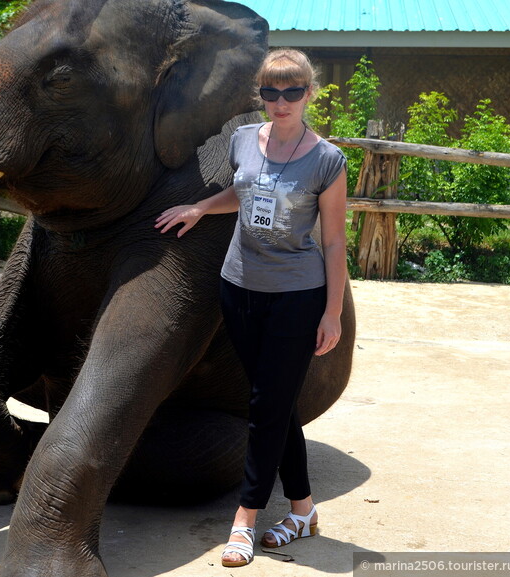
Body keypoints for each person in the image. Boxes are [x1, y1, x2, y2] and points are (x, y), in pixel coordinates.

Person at [155, 48, 347, 567]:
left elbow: (333, 243)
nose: (280, 102)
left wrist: (331, 312)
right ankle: (303, 509)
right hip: (237, 287)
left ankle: (245, 517)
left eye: (291, 92)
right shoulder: (244, 140)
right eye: (270, 91)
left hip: (295, 297)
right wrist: (200, 207)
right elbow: (242, 194)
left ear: (309, 93)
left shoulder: (327, 159)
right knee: (273, 403)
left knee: (264, 407)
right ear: (259, 94)